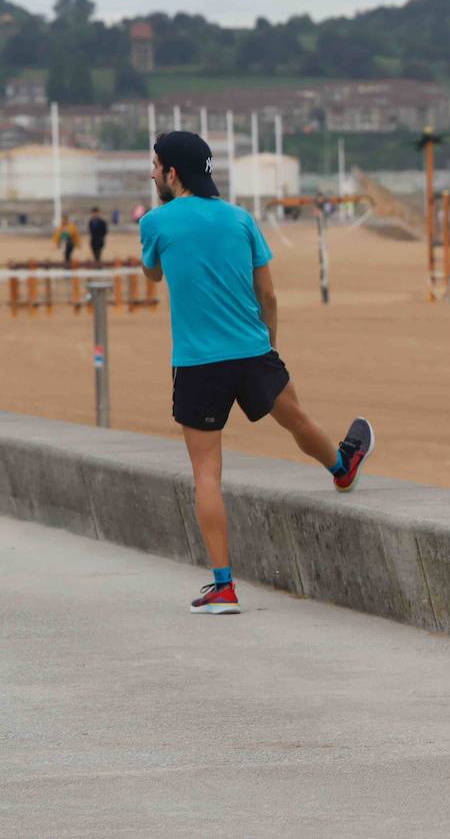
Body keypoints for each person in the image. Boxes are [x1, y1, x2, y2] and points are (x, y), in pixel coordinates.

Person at [140, 131, 375, 616]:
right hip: (252, 350)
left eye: (156, 165)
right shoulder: (241, 219)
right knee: (296, 419)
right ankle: (341, 467)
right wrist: (269, 343)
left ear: (172, 173)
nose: (152, 173)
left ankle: (223, 587)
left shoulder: (156, 222)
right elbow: (267, 295)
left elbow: (154, 274)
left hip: (196, 362)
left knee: (207, 473)